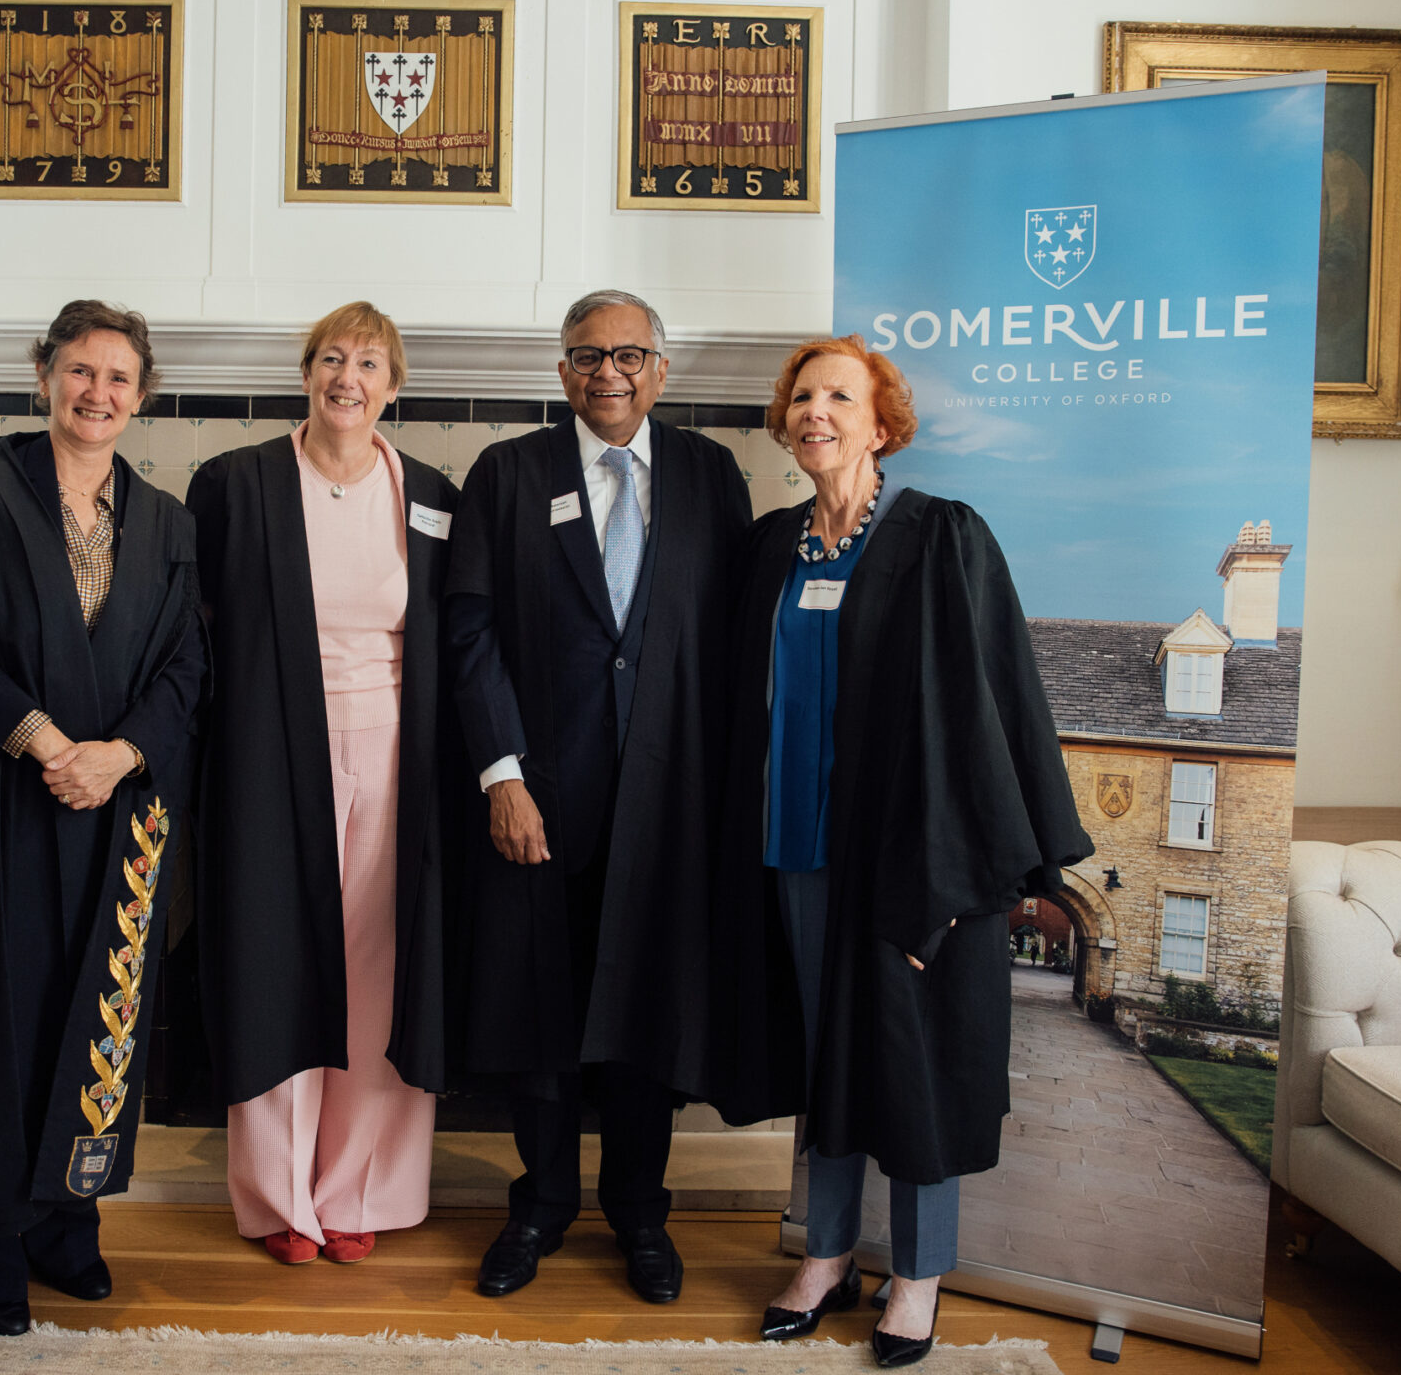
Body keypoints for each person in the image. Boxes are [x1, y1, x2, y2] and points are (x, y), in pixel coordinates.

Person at [710, 335, 1090, 1367]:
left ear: (882, 424)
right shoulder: (773, 546)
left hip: (914, 861)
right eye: (801, 394)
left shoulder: (941, 536)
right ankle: (826, 1252)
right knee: (825, 1053)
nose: (814, 409)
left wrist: (968, 872)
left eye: (839, 394)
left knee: (915, 1064)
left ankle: (918, 1273)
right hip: (792, 847)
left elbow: (991, 705)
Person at [0, 300, 207, 1335]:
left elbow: (188, 663)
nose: (95, 392)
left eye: (116, 377)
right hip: (0, 805)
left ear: (140, 395)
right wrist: (45, 741)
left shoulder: (166, 523)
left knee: (92, 1007)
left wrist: (118, 753)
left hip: (111, 812)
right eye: (78, 370)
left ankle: (69, 1223)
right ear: (43, 375)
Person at [445, 289, 752, 1304]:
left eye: (627, 354)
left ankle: (638, 1211)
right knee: (542, 1013)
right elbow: (472, 632)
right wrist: (503, 773)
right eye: (585, 356)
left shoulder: (712, 476)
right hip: (542, 798)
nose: (606, 373)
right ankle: (539, 1205)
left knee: (647, 1016)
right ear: (561, 371)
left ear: (661, 368)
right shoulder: (509, 473)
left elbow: (731, 646)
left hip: (671, 806)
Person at [187, 302, 460, 1265]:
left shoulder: (428, 492)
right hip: (270, 753)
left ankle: (356, 1192)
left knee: (377, 970)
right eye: (334, 358)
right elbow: (198, 630)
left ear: (395, 385)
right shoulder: (237, 483)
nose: (351, 377)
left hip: (397, 753)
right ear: (306, 372)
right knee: (275, 959)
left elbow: (447, 638)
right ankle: (279, 1200)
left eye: (372, 362)